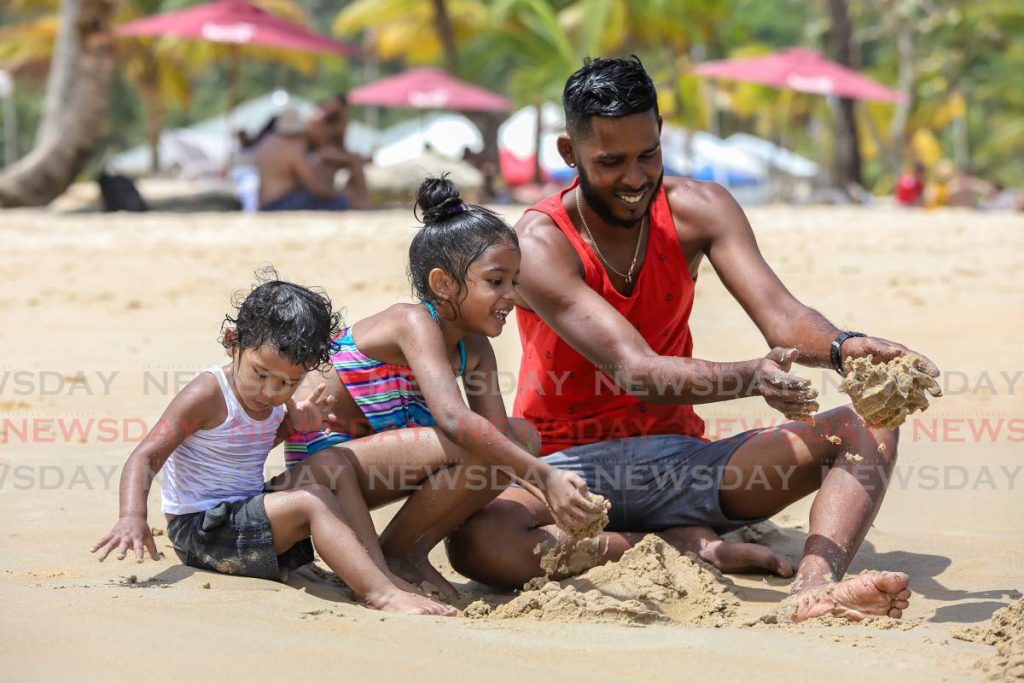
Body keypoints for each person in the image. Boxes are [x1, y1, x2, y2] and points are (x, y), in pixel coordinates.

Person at [447, 57, 939, 623]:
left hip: (681, 459)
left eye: (648, 154)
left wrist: (844, 346)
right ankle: (658, 542)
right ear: (568, 153)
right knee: (479, 542)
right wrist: (752, 376)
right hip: (566, 465)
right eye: (611, 161)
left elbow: (782, 318)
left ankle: (815, 586)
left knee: (866, 426)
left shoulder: (700, 209)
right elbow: (635, 369)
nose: (635, 178)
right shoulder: (538, 242)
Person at [283, 175, 602, 599]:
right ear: (443, 284)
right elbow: (454, 420)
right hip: (325, 470)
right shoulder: (412, 321)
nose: (511, 295)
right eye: (495, 281)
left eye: (514, 280)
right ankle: (390, 559)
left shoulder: (475, 348)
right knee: (485, 440)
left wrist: (558, 498)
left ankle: (405, 552)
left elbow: (501, 442)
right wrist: (544, 478)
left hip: (378, 466)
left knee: (519, 437)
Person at [90, 273, 454, 616]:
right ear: (234, 342)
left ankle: (378, 570)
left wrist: (294, 424)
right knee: (313, 501)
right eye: (260, 375)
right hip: (202, 530)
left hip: (245, 509)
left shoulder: (277, 401)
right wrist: (132, 516)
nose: (269, 392)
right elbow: (147, 455)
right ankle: (380, 593)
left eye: (286, 383)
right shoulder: (207, 394)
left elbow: (247, 443)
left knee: (333, 464)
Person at [254, 106, 369, 211]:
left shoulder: (268, 142)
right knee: (341, 202)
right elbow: (313, 185)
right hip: (281, 202)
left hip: (264, 204)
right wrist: (336, 194)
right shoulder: (293, 147)